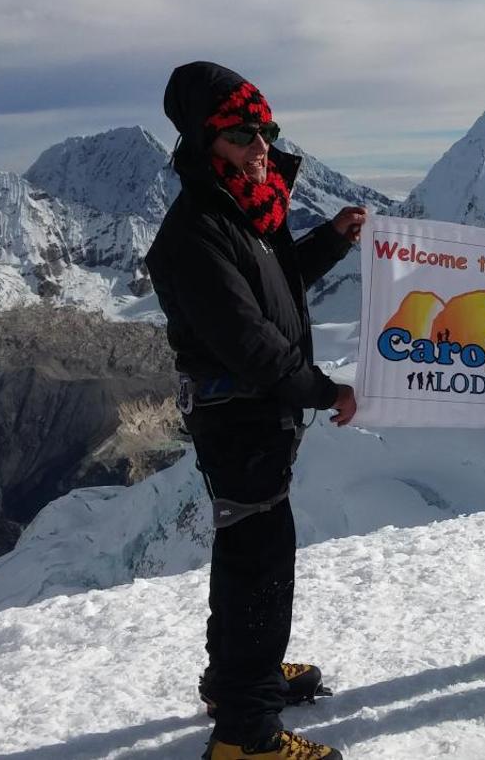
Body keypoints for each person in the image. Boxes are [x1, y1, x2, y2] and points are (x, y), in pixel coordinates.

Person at [146, 61, 364, 760]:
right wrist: (328, 392)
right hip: (241, 420)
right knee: (262, 569)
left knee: (246, 560)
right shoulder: (197, 232)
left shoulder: (242, 212)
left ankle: (237, 680)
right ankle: (246, 733)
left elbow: (274, 283)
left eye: (265, 131)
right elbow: (252, 343)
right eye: (243, 133)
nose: (261, 145)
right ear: (208, 142)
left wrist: (331, 239)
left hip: (253, 422)